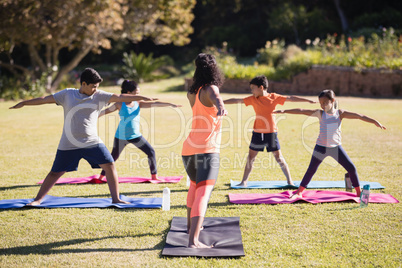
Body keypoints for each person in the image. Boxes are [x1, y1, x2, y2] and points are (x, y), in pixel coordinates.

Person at [10, 68, 155, 205]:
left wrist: (142, 97)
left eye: (97, 86)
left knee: (110, 165)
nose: (95, 89)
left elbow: (120, 96)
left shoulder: (99, 96)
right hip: (69, 143)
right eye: (93, 86)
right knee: (55, 173)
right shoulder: (67, 94)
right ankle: (37, 200)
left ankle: (116, 199)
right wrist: (23, 103)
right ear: (83, 84)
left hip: (92, 142)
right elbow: (44, 99)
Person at [274, 89, 386, 198]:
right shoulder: (320, 113)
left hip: (336, 149)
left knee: (351, 168)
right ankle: (299, 192)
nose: (322, 106)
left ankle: (358, 193)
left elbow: (359, 116)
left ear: (332, 101)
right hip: (320, 148)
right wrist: (284, 111)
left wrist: (375, 121)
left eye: (325, 103)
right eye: (320, 103)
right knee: (311, 170)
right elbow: (301, 110)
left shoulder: (340, 113)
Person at [223, 75, 316, 187]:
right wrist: (219, 102)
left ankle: (290, 181)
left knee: (279, 157)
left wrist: (308, 100)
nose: (251, 91)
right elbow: (237, 100)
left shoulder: (274, 97)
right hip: (257, 133)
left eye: (253, 88)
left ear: (261, 87)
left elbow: (291, 98)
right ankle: (244, 182)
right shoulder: (253, 99)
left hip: (271, 133)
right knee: (251, 157)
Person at [182, 53, 227, 248]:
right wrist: (221, 107)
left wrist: (219, 105)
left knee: (194, 186)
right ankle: (193, 241)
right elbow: (216, 98)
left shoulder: (192, 92)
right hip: (207, 150)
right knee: (204, 192)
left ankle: (191, 228)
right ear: (214, 69)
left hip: (188, 148)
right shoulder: (211, 88)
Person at [97, 80, 181, 181]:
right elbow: (105, 112)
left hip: (136, 135)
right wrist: (91, 117)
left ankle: (154, 177)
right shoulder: (119, 104)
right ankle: (101, 177)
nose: (138, 95)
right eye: (136, 93)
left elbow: (154, 103)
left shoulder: (138, 103)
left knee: (150, 151)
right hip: (121, 136)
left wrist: (170, 104)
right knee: (113, 158)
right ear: (128, 93)